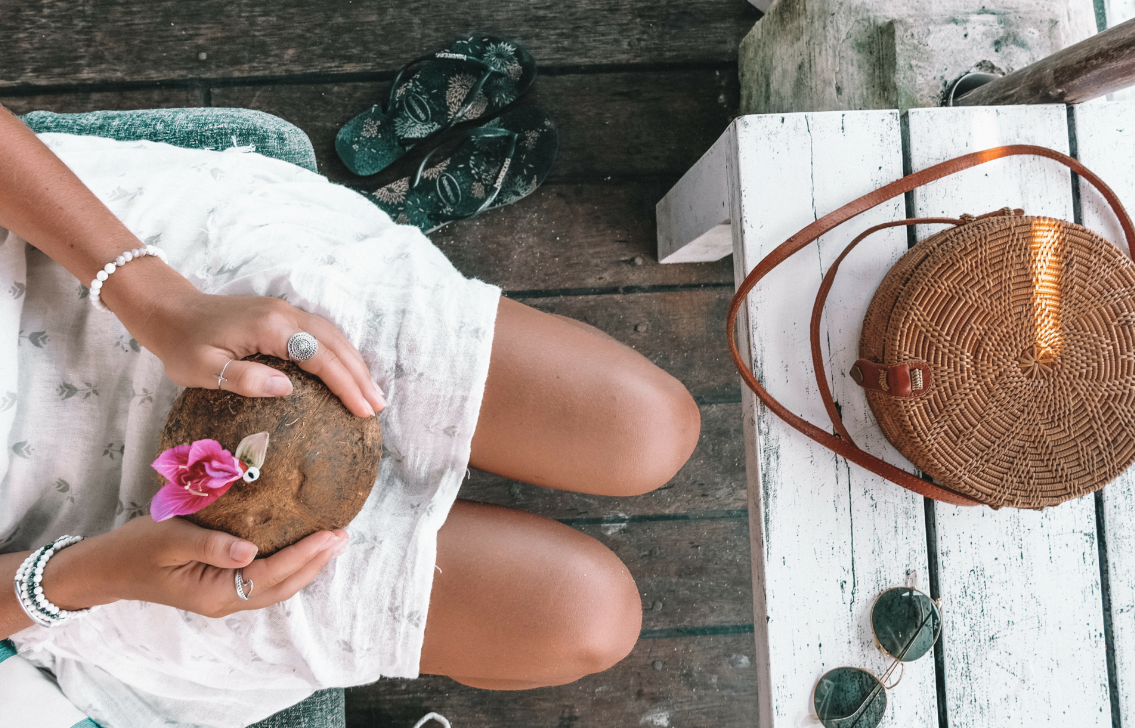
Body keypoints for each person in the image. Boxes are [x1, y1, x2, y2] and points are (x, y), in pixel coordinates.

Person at [0, 102, 701, 726]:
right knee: (587, 617)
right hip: (90, 557)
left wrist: (153, 296)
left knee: (649, 431)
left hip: (101, 280)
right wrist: (89, 576)